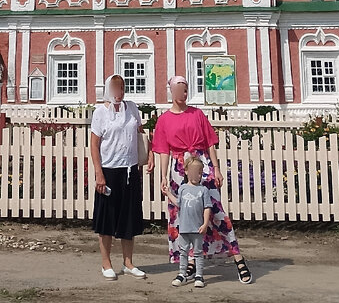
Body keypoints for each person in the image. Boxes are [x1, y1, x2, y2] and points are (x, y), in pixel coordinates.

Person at [151, 75, 253, 285]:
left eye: (186, 90)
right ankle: (189, 263)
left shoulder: (197, 114)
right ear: (171, 91)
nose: (182, 95)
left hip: (202, 164)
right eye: (179, 90)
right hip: (179, 169)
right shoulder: (164, 120)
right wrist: (162, 176)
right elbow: (163, 150)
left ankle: (237, 257)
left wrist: (216, 168)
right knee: (184, 216)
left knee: (216, 211)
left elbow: (210, 143)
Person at [90, 74, 152, 280]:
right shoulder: (101, 113)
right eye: (115, 88)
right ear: (108, 89)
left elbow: (141, 133)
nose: (119, 93)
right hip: (109, 170)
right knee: (107, 217)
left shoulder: (132, 108)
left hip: (129, 169)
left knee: (129, 217)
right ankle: (106, 262)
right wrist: (99, 173)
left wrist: (149, 154)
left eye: (122, 88)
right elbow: (94, 145)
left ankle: (128, 262)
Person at [167, 155, 213, 288]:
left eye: (199, 172)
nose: (195, 175)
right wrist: (168, 193)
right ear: (186, 171)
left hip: (197, 228)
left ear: (201, 173)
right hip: (184, 228)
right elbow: (178, 203)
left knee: (198, 253)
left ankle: (199, 275)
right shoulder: (182, 189)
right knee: (183, 252)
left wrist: (205, 224)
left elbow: (207, 208)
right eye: (192, 171)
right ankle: (182, 274)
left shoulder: (203, 190)